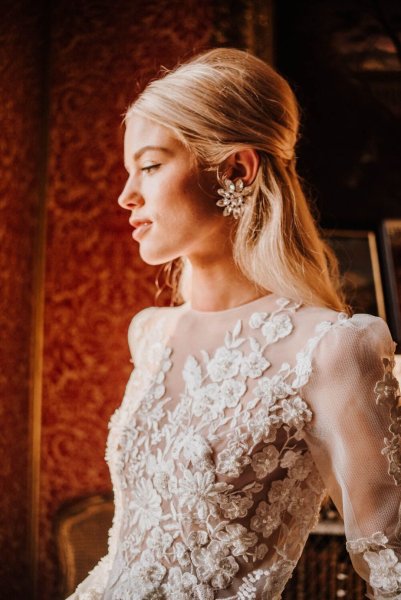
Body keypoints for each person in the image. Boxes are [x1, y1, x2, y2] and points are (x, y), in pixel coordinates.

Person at [68, 48, 401, 600]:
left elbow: (393, 571)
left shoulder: (334, 349)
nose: (126, 195)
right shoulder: (151, 334)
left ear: (237, 169)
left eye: (149, 166)